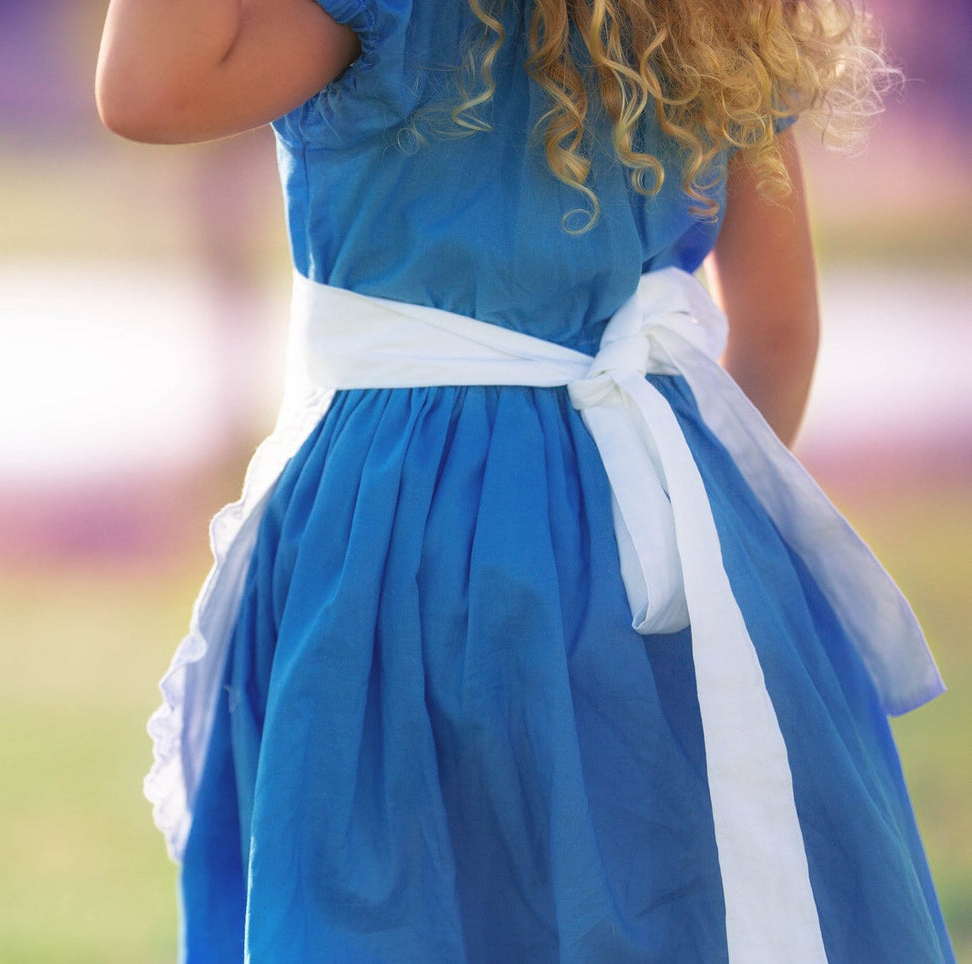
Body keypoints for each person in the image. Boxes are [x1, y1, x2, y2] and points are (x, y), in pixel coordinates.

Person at [97, 0, 955, 960]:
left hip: (398, 538)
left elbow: (147, 88)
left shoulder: (398, 18)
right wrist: (695, 535)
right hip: (668, 546)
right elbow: (780, 328)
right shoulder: (712, 21)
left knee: (392, 903)